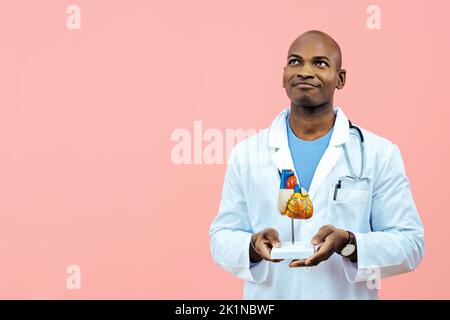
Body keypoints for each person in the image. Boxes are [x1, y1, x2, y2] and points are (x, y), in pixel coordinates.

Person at [208, 30, 424, 299]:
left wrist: (348, 243)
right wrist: (251, 246)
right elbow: (222, 237)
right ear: (283, 75)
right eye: (295, 61)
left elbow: (410, 243)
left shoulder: (379, 154)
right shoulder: (247, 154)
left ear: (340, 78)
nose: (305, 71)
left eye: (320, 63)